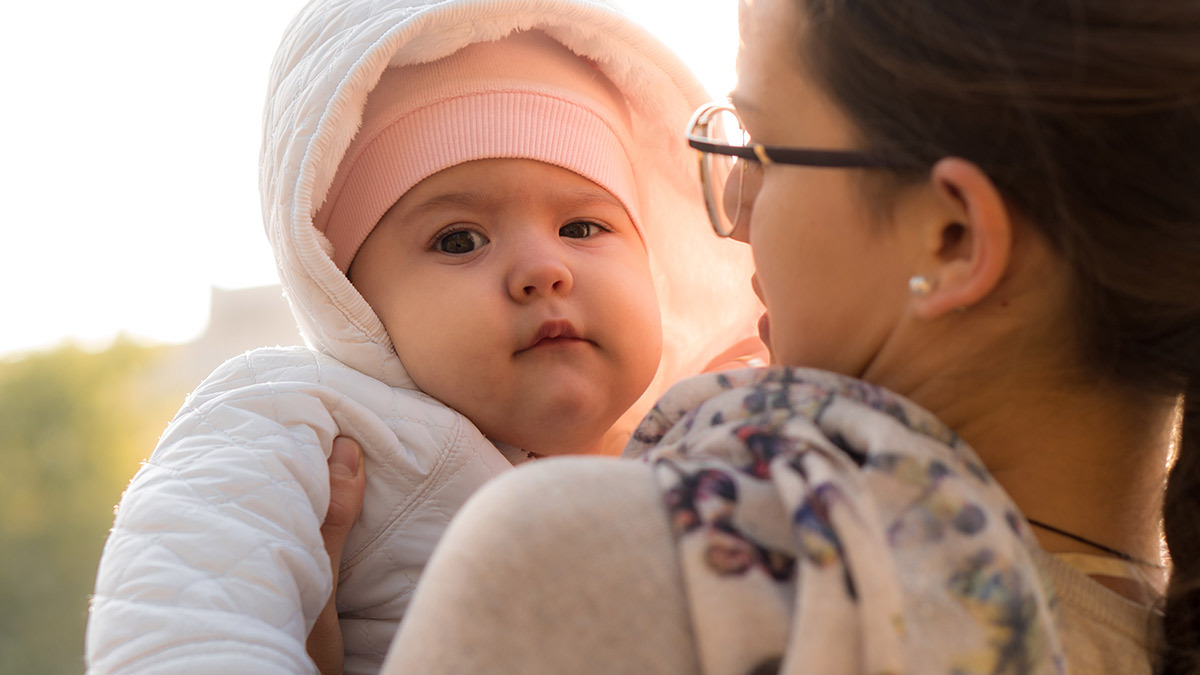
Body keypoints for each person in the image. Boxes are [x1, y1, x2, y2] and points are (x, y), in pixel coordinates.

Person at [315, 0, 1200, 672]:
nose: (734, 214)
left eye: (765, 152)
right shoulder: (1155, 633)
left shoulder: (596, 564)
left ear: (953, 237)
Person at [83, 0, 766, 672]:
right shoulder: (300, 421)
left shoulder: (723, 445)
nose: (543, 269)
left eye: (581, 227)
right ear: (352, 298)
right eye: (460, 240)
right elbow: (184, 624)